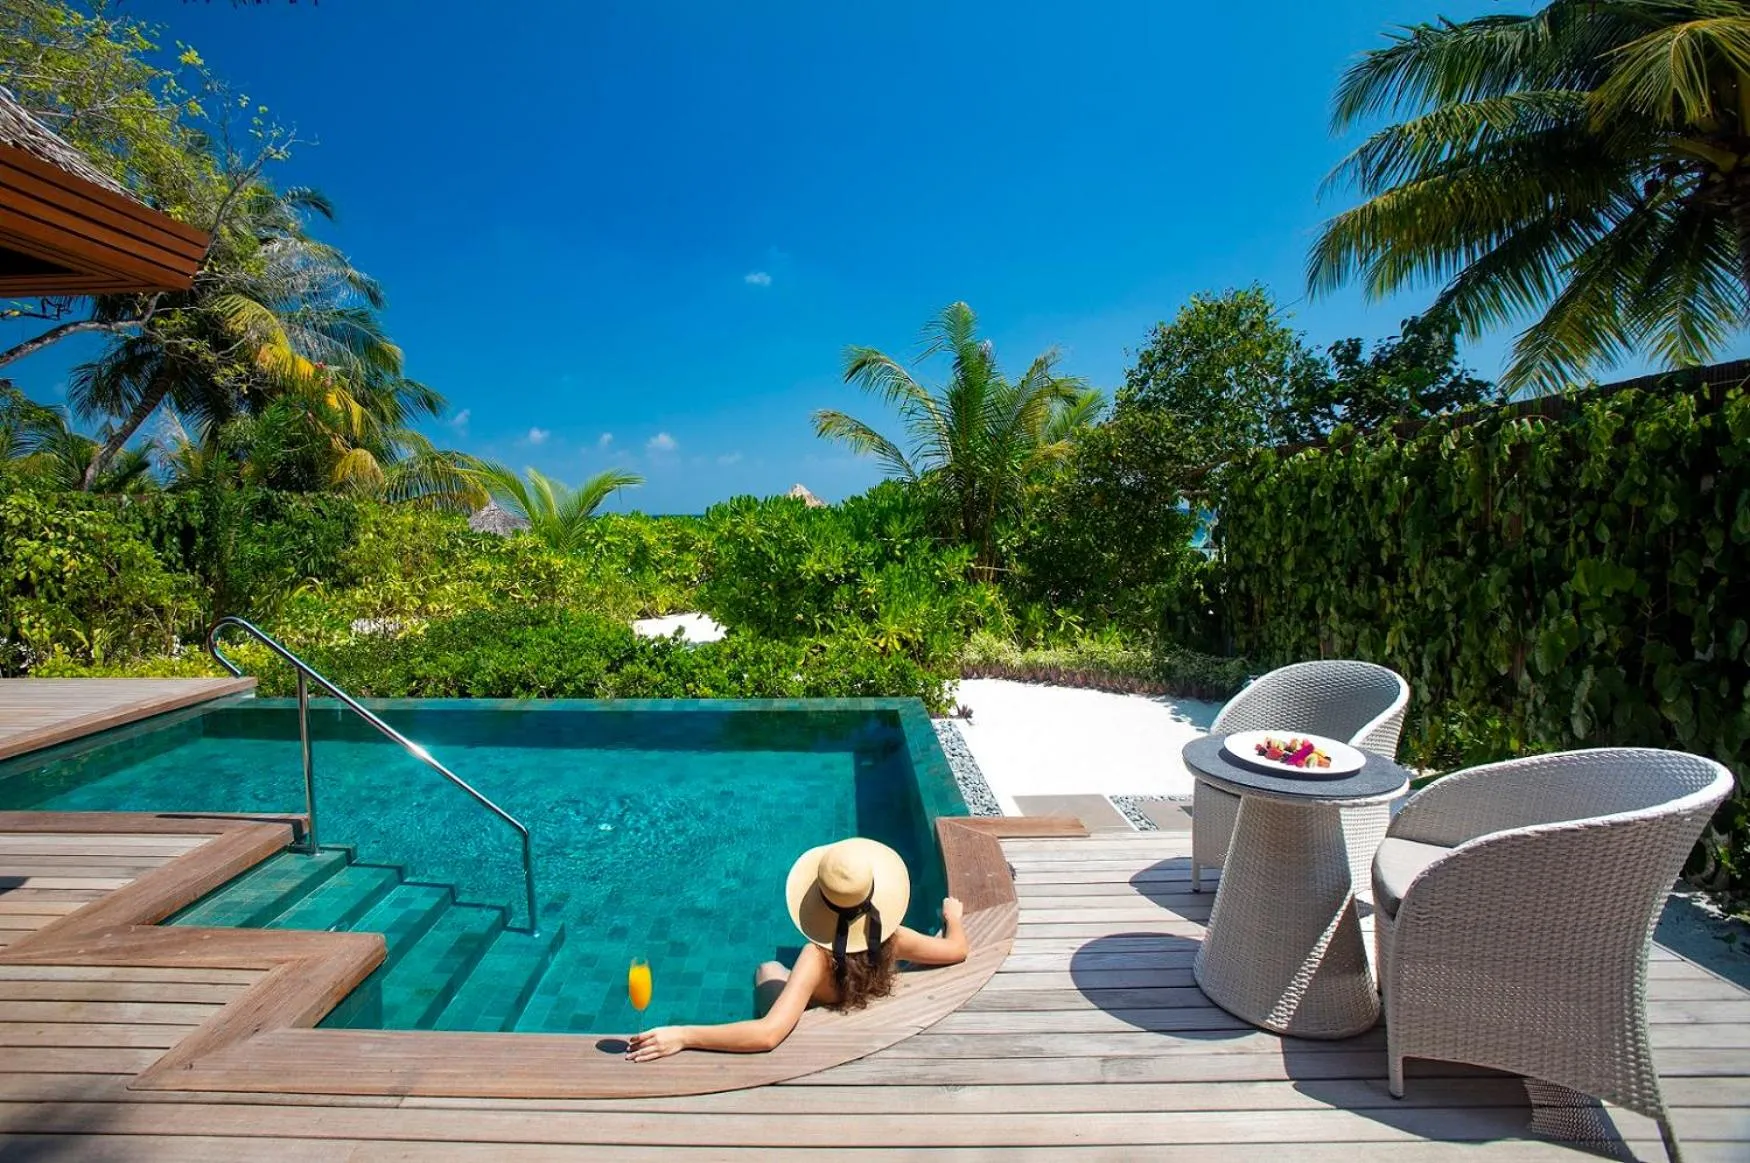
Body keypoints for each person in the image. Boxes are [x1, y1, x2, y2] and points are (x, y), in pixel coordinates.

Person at [626, 836, 967, 1061]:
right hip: (862, 994)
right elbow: (956, 951)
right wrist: (953, 919)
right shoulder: (893, 937)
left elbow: (768, 1035)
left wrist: (684, 1035)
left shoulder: (816, 957)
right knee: (779, 973)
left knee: (768, 970)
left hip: (820, 1012)